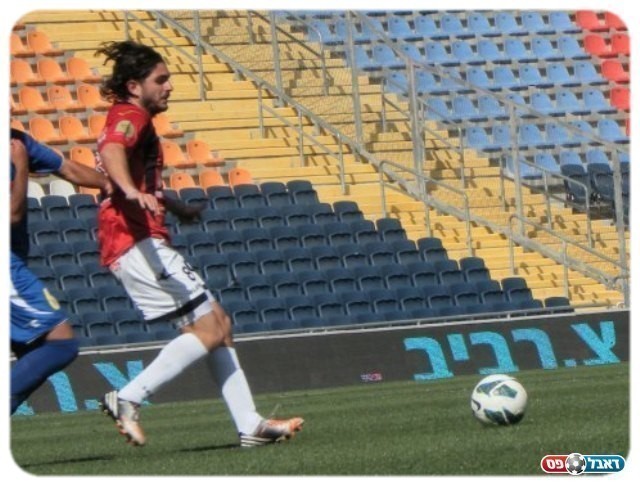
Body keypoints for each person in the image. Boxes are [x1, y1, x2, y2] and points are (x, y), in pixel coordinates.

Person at [94, 40, 303, 447]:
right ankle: (128, 397)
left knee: (219, 325)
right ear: (135, 86)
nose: (169, 86)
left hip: (139, 236)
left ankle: (250, 425)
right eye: (161, 80)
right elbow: (112, 148)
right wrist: (130, 191)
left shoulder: (134, 117)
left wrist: (172, 205)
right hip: (133, 239)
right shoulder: (130, 115)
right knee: (209, 328)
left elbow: (129, 169)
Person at [10, 128, 110, 414]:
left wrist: (109, 183)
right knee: (60, 343)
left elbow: (67, 168)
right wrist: (21, 166)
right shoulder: (16, 150)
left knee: (33, 351)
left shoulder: (16, 139)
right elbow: (12, 214)